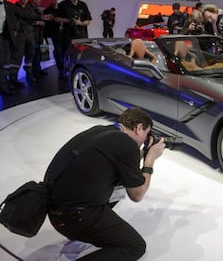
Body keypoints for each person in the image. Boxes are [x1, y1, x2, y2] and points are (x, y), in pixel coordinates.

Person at [44, 107, 165, 260]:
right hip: (73, 218)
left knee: (118, 183)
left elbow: (121, 162)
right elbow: (137, 194)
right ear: (138, 128)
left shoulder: (101, 131)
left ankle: (91, 231)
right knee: (135, 246)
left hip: (55, 210)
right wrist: (150, 159)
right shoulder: (127, 145)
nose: (145, 140)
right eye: (147, 134)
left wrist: (140, 155)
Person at [44, 0, 64, 76]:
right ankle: (60, 68)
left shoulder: (62, 9)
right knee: (58, 51)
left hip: (63, 33)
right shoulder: (47, 10)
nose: (55, 1)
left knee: (64, 50)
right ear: (50, 0)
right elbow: (46, 23)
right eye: (53, 0)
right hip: (53, 34)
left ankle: (65, 66)